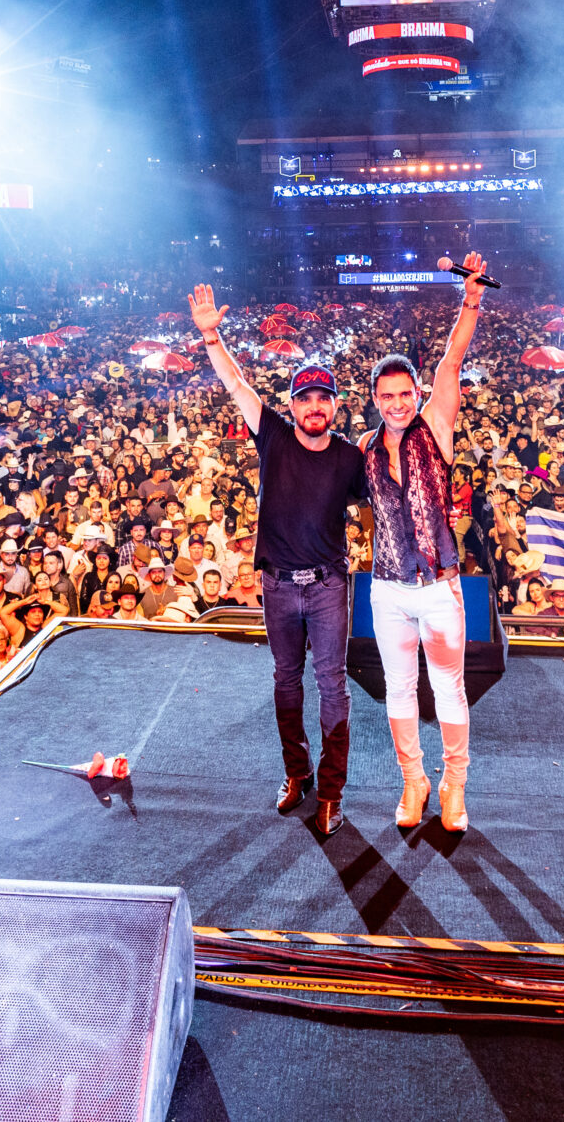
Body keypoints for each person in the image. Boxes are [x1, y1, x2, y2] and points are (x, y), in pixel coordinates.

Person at [189, 282, 367, 838]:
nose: (313, 406)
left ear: (335, 407)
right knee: (286, 681)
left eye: (323, 398)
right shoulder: (272, 436)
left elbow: (378, 500)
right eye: (304, 398)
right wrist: (212, 337)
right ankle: (298, 775)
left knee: (332, 685)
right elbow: (237, 383)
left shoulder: (349, 457)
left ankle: (331, 794)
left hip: (328, 586)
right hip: (279, 588)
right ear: (291, 406)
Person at [359, 252, 488, 832]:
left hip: (438, 586)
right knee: (398, 689)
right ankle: (413, 781)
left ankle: (455, 787)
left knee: (449, 688)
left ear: (415, 392)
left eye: (403, 393)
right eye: (385, 396)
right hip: (386, 589)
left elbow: (452, 358)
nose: (395, 403)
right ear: (375, 400)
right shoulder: (363, 447)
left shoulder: (436, 427)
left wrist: (471, 298)